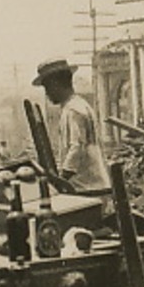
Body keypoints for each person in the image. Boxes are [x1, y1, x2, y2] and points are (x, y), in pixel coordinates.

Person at [32, 58, 110, 192]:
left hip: (86, 187)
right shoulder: (79, 104)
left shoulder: (73, 110)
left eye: (47, 87)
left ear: (56, 83)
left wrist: (61, 179)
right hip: (93, 183)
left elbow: (76, 147)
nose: (47, 93)